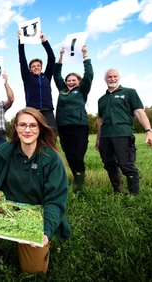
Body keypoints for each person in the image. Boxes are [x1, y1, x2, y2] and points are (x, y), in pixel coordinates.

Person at [0, 107, 71, 274]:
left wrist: (47, 231)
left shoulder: (52, 160)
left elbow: (54, 201)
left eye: (33, 125)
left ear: (40, 128)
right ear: (15, 127)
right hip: (4, 213)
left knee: (34, 271)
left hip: (34, 219)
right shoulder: (5, 151)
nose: (27, 130)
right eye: (22, 125)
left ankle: (36, 249)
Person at [95, 69, 152, 195]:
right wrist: (98, 139)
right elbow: (101, 121)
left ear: (119, 78)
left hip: (122, 134)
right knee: (109, 163)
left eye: (115, 76)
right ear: (105, 79)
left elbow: (139, 112)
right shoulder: (102, 99)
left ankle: (134, 195)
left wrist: (149, 131)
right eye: (109, 77)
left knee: (126, 164)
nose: (112, 79)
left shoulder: (129, 92)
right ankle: (119, 190)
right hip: (106, 136)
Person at [53, 45, 94, 196]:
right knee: (69, 156)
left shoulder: (82, 90)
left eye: (73, 80)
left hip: (79, 127)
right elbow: (56, 74)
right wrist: (61, 57)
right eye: (68, 80)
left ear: (78, 81)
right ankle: (75, 179)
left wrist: (85, 56)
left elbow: (89, 74)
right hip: (63, 128)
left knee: (78, 156)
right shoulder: (62, 89)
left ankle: (80, 185)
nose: (70, 82)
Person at [17, 30, 57, 134]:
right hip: (33, 112)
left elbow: (52, 58)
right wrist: (21, 41)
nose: (36, 67)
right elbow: (22, 59)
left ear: (41, 67)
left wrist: (44, 41)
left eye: (38, 66)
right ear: (30, 69)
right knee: (35, 137)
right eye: (33, 66)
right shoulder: (27, 77)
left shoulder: (47, 76)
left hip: (48, 112)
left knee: (51, 137)